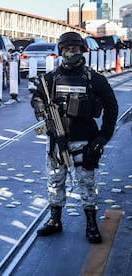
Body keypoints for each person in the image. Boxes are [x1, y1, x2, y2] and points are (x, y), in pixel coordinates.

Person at [30, 32, 118, 244]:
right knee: (55, 180)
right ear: (61, 52)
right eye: (67, 50)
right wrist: (40, 106)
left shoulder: (94, 79)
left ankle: (91, 223)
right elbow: (36, 98)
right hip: (56, 142)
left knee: (86, 182)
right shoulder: (50, 79)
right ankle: (55, 220)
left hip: (85, 140)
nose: (71, 53)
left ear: (82, 51)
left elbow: (111, 107)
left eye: (75, 49)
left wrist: (103, 136)